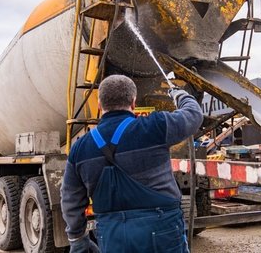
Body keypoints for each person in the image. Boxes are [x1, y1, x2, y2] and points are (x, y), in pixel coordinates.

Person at [61, 74, 203, 253]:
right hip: (162, 229)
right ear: (133, 103)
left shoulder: (80, 148)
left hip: (112, 235)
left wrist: (77, 237)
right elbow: (194, 115)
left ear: (99, 105)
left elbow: (70, 199)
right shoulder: (154, 127)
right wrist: (180, 95)